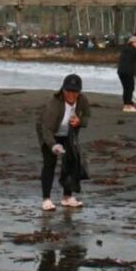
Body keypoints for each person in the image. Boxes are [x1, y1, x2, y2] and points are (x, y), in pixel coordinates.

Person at [36, 74, 91, 211]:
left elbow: (87, 116)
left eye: (75, 91)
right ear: (63, 90)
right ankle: (46, 199)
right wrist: (53, 145)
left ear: (79, 91)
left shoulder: (83, 100)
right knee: (50, 163)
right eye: (68, 91)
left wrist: (80, 121)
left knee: (71, 162)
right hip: (50, 133)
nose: (71, 95)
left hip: (68, 134)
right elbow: (46, 129)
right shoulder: (54, 104)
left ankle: (67, 197)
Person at [117, 36, 136, 112]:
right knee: (130, 88)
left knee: (125, 88)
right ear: (133, 43)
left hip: (121, 71)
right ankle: (128, 106)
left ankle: (126, 105)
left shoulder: (124, 50)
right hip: (129, 72)